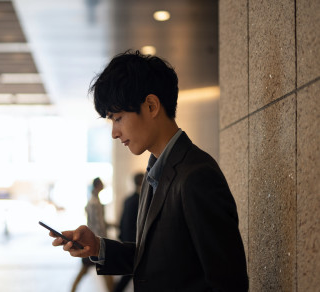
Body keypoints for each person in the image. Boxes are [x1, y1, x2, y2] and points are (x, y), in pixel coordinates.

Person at [49, 50, 249, 291]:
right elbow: (155, 261)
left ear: (151, 106)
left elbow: (229, 282)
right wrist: (99, 247)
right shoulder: (155, 173)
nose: (114, 132)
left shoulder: (196, 175)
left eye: (118, 117)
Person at [71, 178, 114, 292]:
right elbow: (98, 225)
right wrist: (103, 241)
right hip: (96, 242)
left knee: (99, 270)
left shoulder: (94, 201)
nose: (103, 186)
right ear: (98, 185)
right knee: (104, 269)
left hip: (95, 241)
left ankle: (72, 289)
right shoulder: (94, 202)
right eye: (101, 184)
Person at [113, 173, 143, 292]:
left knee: (129, 272)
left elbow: (122, 219)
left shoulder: (128, 199)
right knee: (130, 272)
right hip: (134, 241)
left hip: (127, 239)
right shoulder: (140, 199)